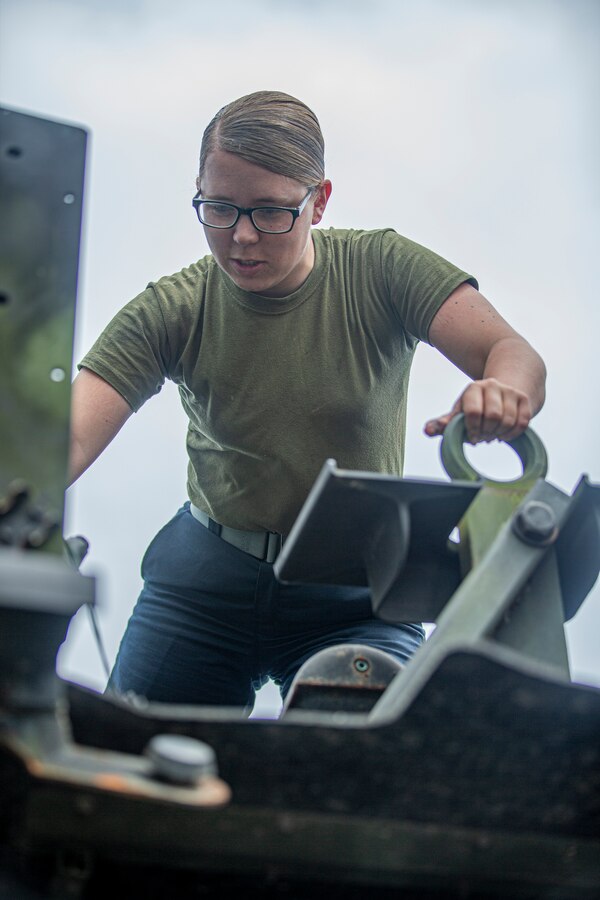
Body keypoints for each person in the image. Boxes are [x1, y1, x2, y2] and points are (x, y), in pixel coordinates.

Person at [69, 90, 546, 713]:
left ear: (318, 201)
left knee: (370, 759)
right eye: (219, 208)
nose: (241, 236)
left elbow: (512, 352)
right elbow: (66, 440)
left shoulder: (380, 269)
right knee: (120, 764)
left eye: (270, 212)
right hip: (204, 586)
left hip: (353, 596)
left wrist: (502, 392)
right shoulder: (173, 308)